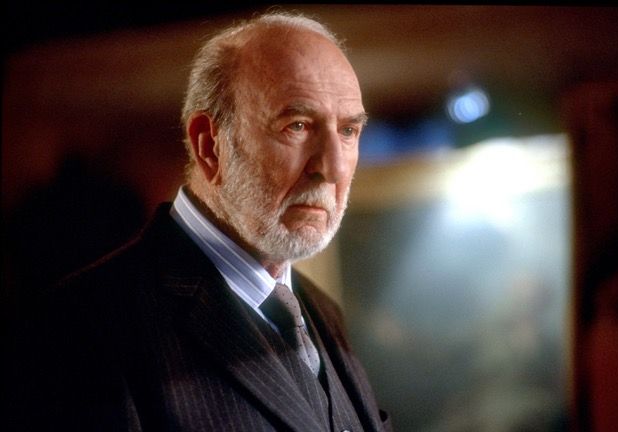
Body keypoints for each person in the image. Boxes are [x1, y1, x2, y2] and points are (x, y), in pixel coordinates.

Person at [4, 11, 392, 432]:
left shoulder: (322, 312)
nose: (333, 167)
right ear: (209, 146)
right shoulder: (81, 330)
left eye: (349, 132)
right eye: (297, 126)